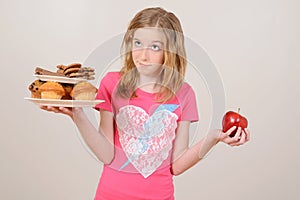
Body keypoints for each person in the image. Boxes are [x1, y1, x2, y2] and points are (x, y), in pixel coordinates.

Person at [41, 7, 250, 200]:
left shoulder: (184, 94)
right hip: (110, 195)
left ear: (170, 52)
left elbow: (176, 165)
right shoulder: (112, 84)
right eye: (138, 43)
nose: (143, 55)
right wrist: (77, 116)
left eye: (155, 47)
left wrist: (213, 137)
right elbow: (106, 154)